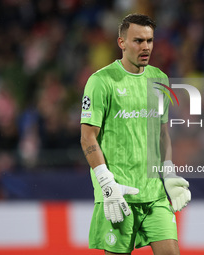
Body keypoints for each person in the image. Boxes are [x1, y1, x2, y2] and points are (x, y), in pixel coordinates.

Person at [80, 13, 191, 255]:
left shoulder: (159, 79)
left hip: (155, 195)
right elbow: (88, 137)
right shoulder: (101, 82)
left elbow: (162, 134)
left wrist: (169, 172)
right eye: (138, 41)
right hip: (117, 194)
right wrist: (106, 183)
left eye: (149, 41)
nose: (146, 47)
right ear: (122, 43)